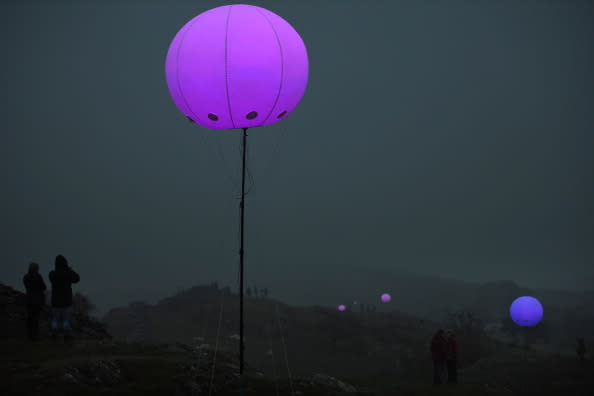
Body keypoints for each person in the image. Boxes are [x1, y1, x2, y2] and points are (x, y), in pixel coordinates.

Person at [49, 254, 80, 341]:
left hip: (55, 301)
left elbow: (51, 278)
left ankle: (53, 335)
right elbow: (77, 278)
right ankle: (67, 336)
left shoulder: (52, 274)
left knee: (55, 320)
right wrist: (70, 270)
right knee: (66, 320)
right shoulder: (68, 273)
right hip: (66, 301)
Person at [23, 262, 47, 341]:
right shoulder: (38, 276)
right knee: (36, 319)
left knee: (30, 318)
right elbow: (43, 287)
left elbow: (26, 286)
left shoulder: (26, 277)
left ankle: (29, 336)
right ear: (36, 269)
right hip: (37, 300)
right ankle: (35, 337)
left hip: (29, 300)